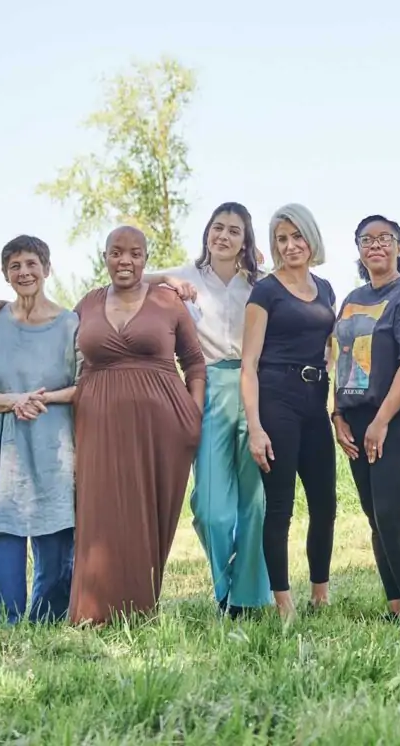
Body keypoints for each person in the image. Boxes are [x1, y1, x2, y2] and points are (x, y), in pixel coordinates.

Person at [68, 226, 206, 625]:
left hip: (162, 427)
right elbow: (47, 327)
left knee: (148, 511)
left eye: (134, 254)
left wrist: (192, 412)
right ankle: (94, 610)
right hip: (98, 423)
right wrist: (3, 308)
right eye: (115, 252)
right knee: (100, 509)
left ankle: (141, 606)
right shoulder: (87, 304)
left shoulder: (167, 301)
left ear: (146, 258)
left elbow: (194, 362)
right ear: (105, 256)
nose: (124, 261)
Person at [144, 203, 272, 618]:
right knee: (212, 508)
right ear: (207, 233)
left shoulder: (261, 283)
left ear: (245, 241)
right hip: (208, 386)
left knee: (254, 502)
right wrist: (165, 279)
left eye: (235, 230)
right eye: (218, 227)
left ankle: (246, 599)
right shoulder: (185, 276)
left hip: (256, 389)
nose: (224, 236)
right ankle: (226, 582)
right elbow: (127, 280)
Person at [0, 235, 78, 624]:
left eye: (32, 263)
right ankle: (4, 622)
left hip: (55, 442)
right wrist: (15, 400)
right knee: (6, 534)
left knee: (56, 531)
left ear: (47, 269)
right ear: (5, 274)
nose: (24, 271)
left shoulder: (70, 324)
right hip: (4, 443)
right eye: (15, 266)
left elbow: (86, 386)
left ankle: (48, 620)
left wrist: (39, 398)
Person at [333, 216, 400, 627]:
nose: (375, 245)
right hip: (356, 416)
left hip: (396, 418)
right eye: (366, 239)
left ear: (399, 245)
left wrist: (381, 420)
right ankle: (394, 607)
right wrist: (337, 413)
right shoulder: (352, 298)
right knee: (374, 515)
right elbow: (340, 356)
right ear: (358, 248)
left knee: (392, 514)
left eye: (384, 238)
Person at [241, 204, 337, 620]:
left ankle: (320, 592)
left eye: (297, 236)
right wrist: (255, 427)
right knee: (281, 505)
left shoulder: (327, 289)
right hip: (276, 398)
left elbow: (334, 347)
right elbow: (248, 365)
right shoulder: (265, 290)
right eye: (281, 238)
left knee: (326, 503)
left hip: (316, 400)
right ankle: (283, 601)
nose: (290, 245)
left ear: (311, 238)